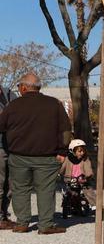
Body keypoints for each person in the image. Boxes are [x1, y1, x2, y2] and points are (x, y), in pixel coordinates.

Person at [0, 73, 72, 233]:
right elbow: (66, 130)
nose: (18, 89)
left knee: (20, 189)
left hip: (18, 156)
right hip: (47, 157)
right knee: (46, 190)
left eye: (19, 86)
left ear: (24, 87)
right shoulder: (54, 104)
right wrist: (62, 151)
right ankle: (46, 225)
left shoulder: (13, 106)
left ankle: (22, 223)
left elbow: (1, 126)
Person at [60, 139, 97, 206]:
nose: (82, 153)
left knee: (88, 191)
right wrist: (59, 173)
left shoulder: (85, 159)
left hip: (82, 180)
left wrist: (88, 175)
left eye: (83, 151)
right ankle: (68, 204)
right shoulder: (67, 159)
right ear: (72, 151)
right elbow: (63, 167)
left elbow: (88, 168)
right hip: (70, 180)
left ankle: (95, 205)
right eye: (79, 151)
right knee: (68, 192)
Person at [0, 81, 14, 225]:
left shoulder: (9, 94)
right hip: (0, 147)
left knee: (11, 184)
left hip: (13, 146)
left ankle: (4, 214)